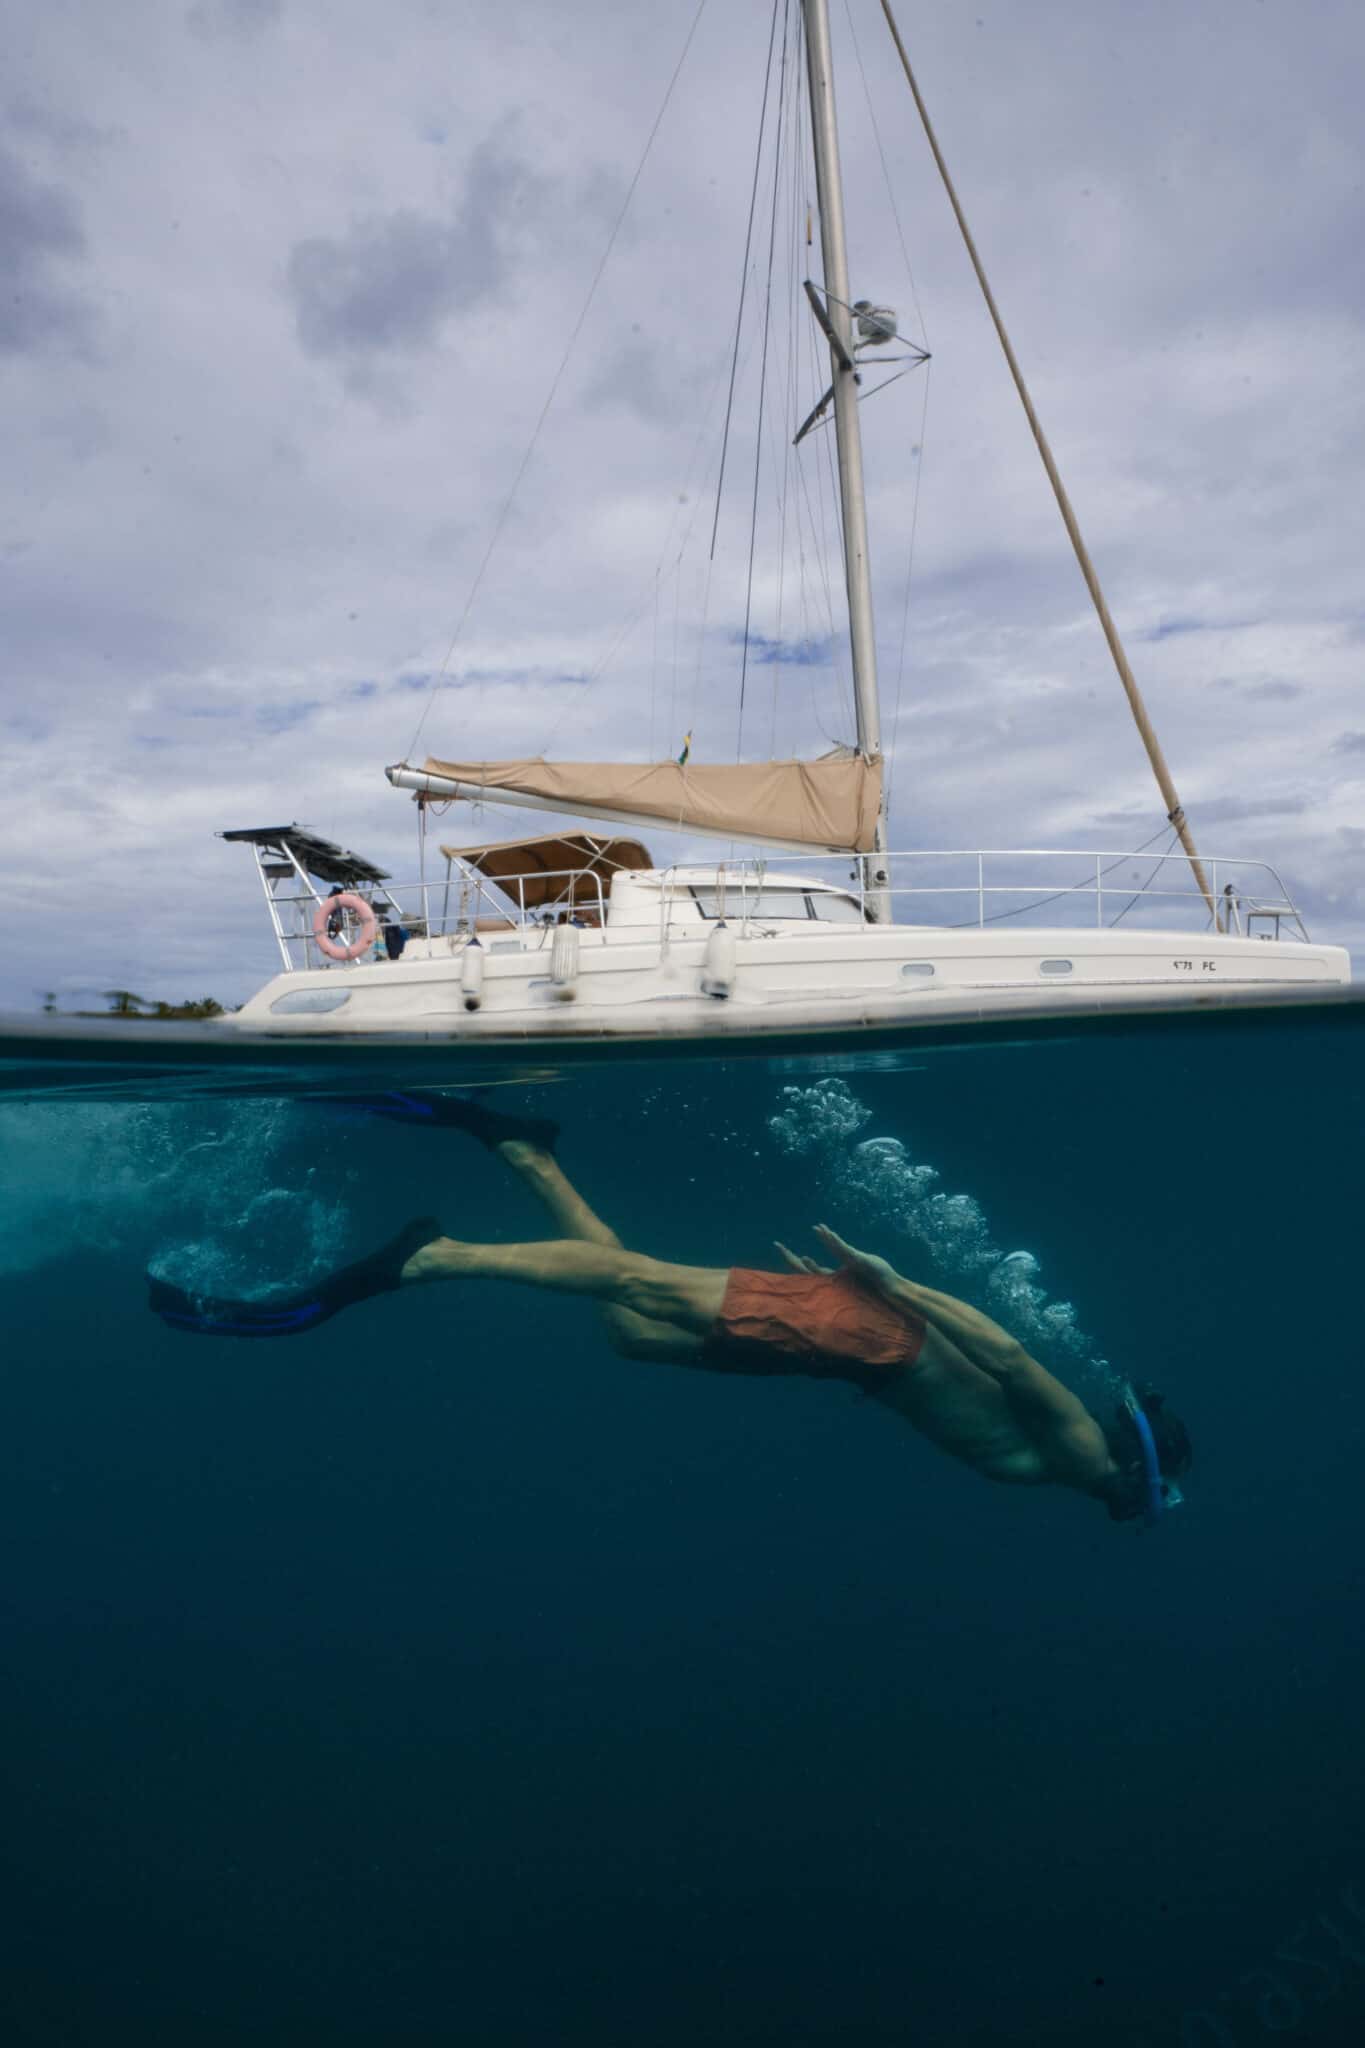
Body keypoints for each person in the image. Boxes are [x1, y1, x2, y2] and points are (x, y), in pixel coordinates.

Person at [149, 1094, 1191, 1524]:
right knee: (638, 1282)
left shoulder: (1073, 1465)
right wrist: (886, 1280)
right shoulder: (1076, 1446)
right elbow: (1004, 1349)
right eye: (1148, 1492)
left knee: (631, 1324)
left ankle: (526, 1150)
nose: (1136, 1502)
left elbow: (980, 1376)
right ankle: (435, 1256)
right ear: (1137, 1469)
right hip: (865, 1334)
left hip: (849, 1354)